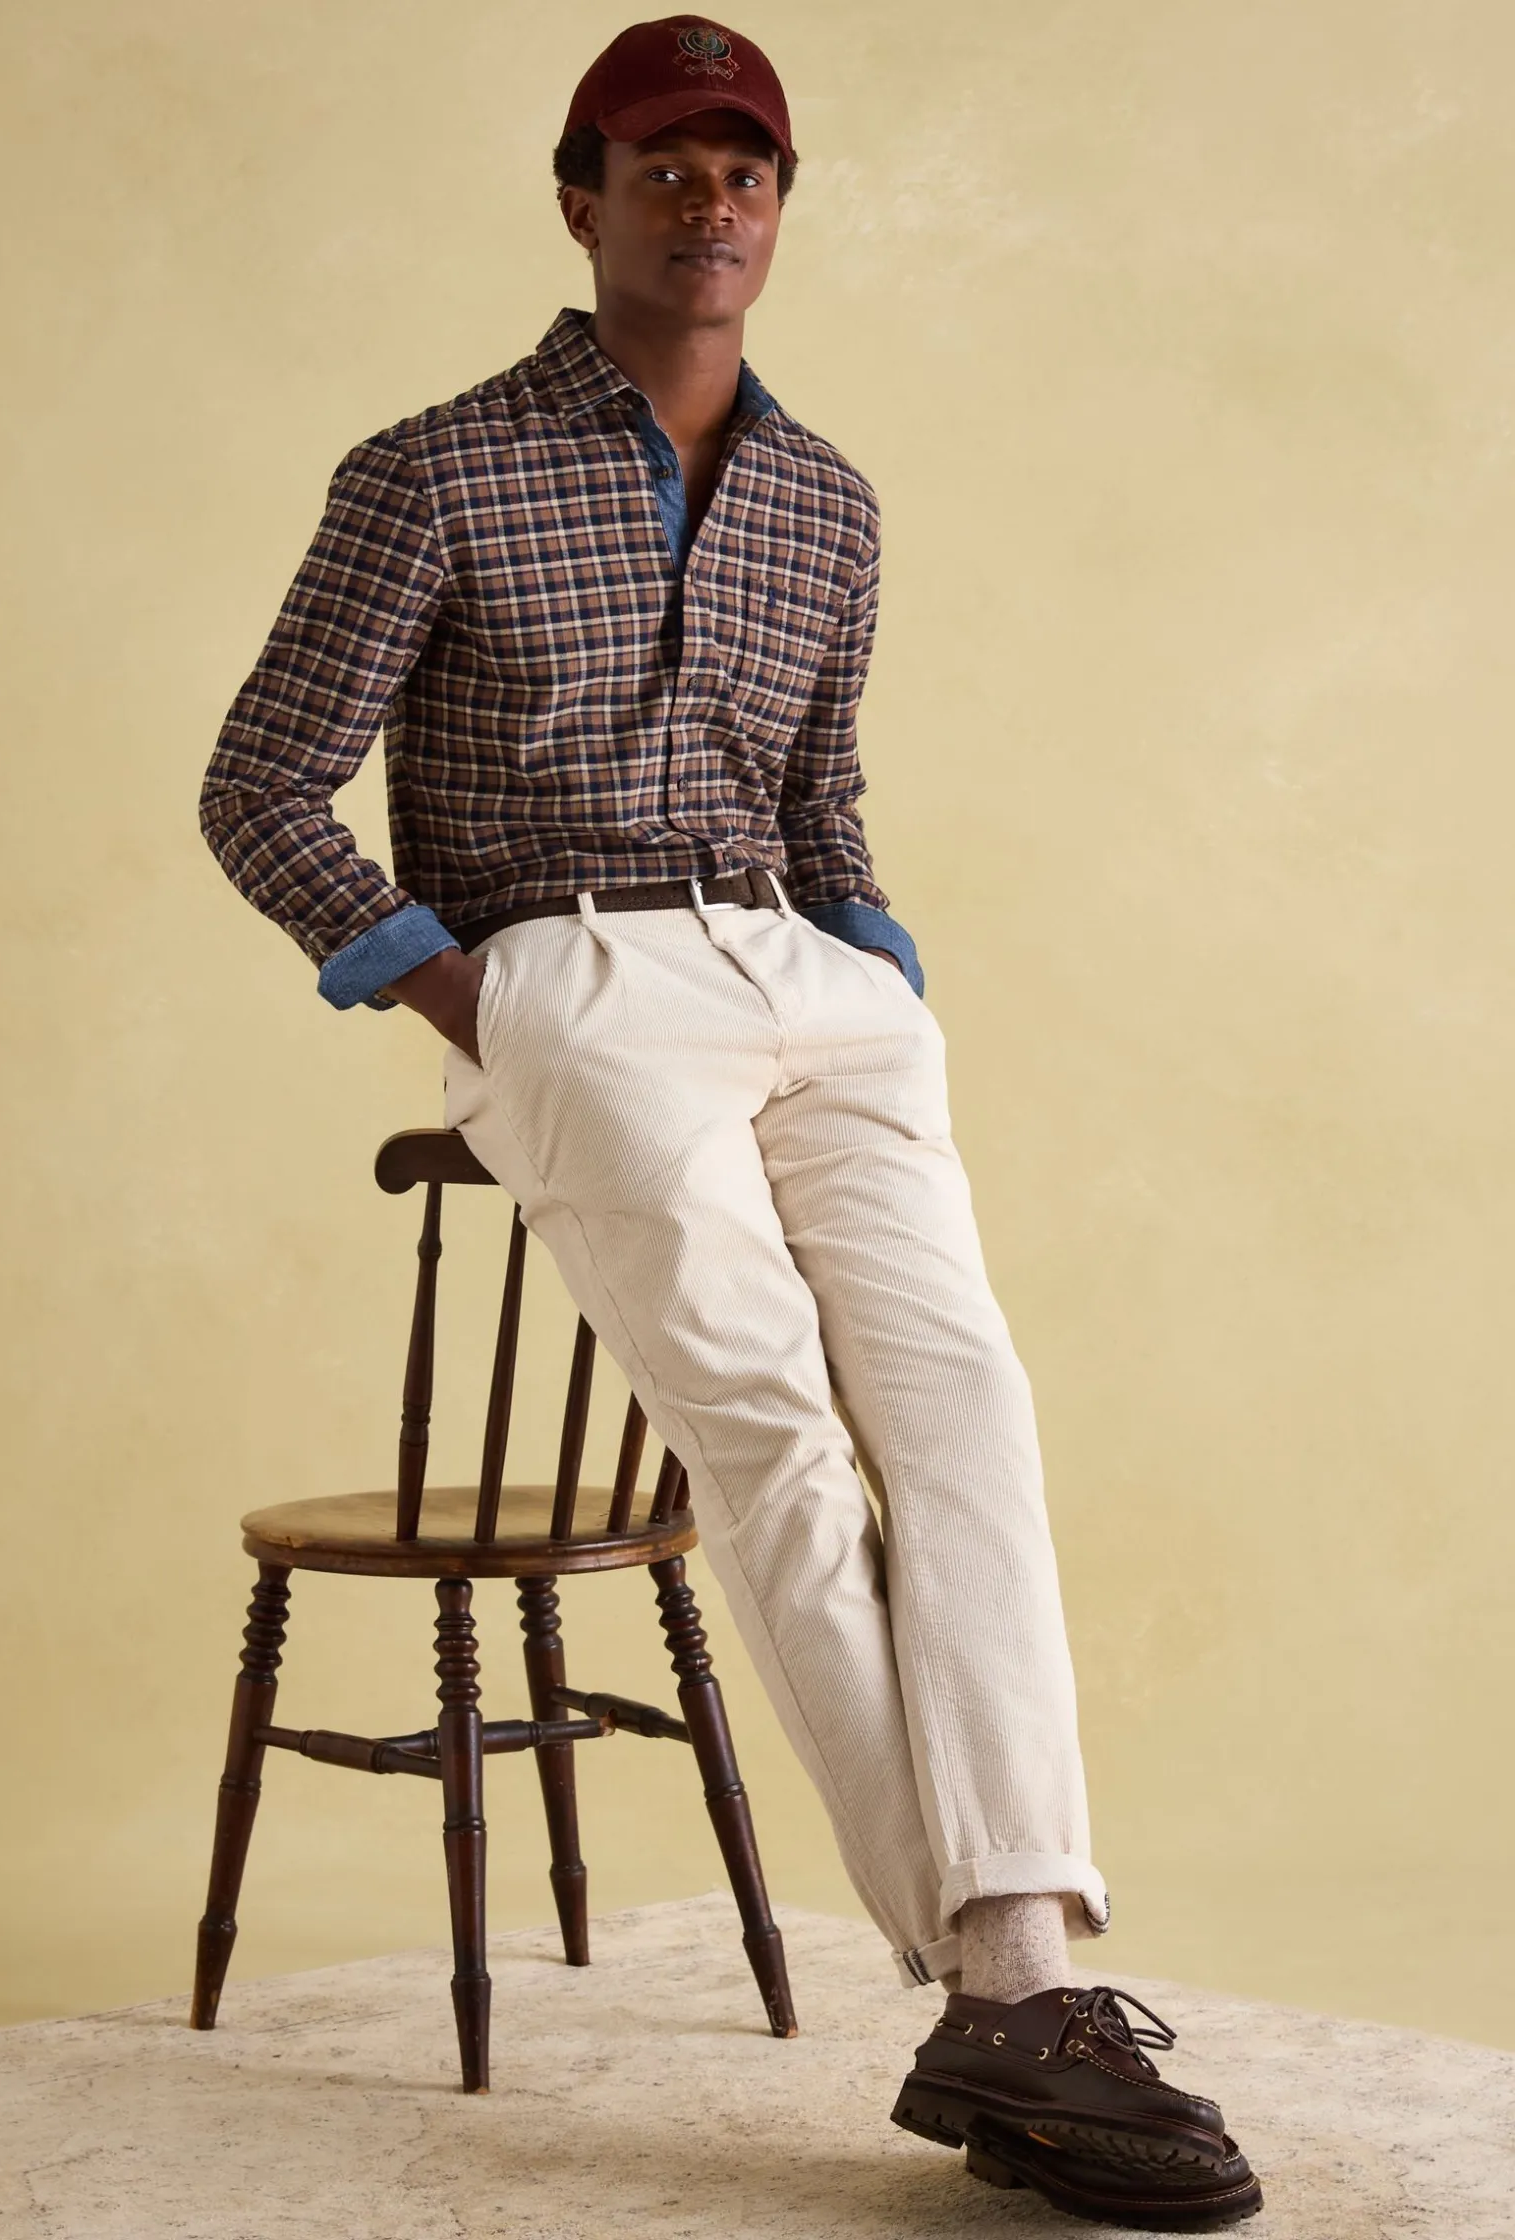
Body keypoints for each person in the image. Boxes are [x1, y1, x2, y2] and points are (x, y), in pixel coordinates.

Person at [199, 15, 1260, 2227]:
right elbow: (260, 783)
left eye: (744, 171)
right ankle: (1016, 1981)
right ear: (579, 201)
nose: (710, 204)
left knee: (966, 1414)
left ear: (781, 208)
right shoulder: (433, 470)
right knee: (772, 1441)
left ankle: (1014, 1983)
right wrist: (481, 1001)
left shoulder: (828, 500)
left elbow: (819, 781)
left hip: (813, 987)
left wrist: (874, 957)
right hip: (574, 977)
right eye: (664, 170)